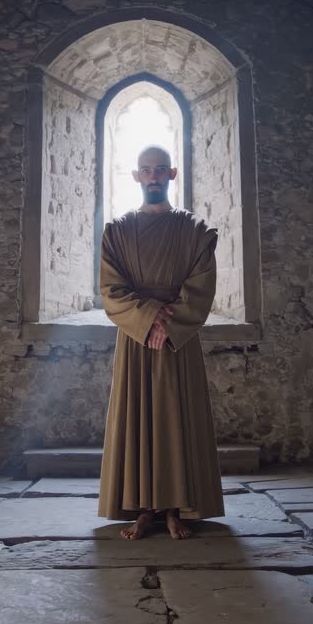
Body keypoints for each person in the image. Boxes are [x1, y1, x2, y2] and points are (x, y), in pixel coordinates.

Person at [97, 145, 225, 540]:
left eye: (159, 170)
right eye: (145, 170)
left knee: (175, 418)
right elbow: (110, 289)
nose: (152, 177)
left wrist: (169, 324)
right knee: (138, 419)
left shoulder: (194, 232)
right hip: (137, 340)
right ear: (136, 176)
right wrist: (148, 316)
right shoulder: (116, 232)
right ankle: (143, 511)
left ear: (172, 175)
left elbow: (202, 285)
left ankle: (174, 509)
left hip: (176, 339)